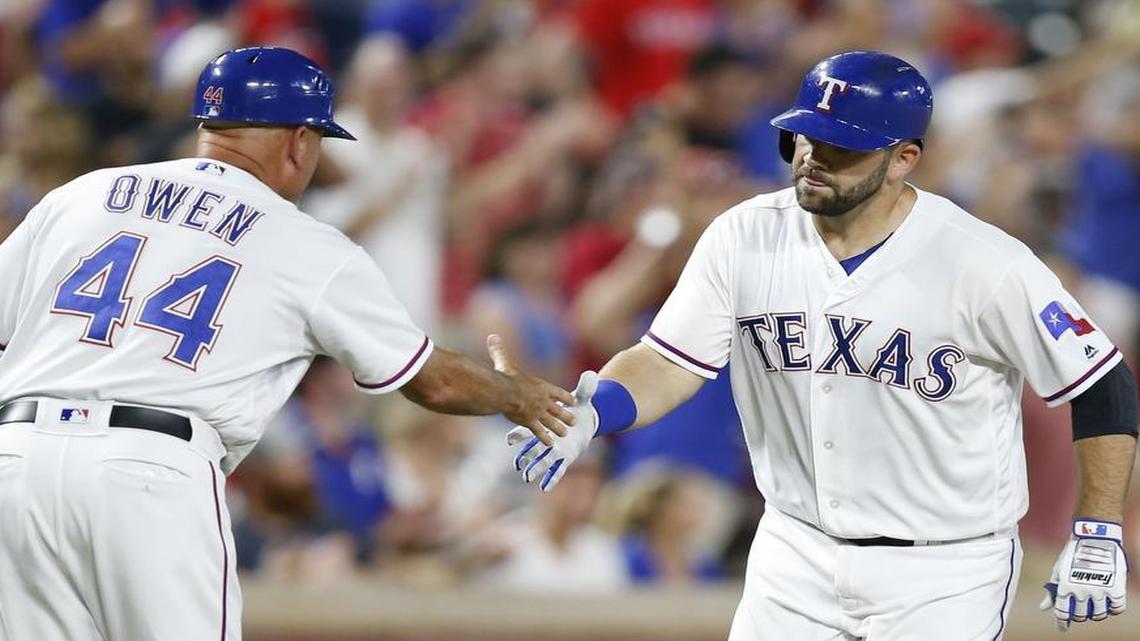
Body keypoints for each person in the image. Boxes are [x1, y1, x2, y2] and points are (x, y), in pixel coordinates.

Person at [508, 50, 1138, 638]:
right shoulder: (744, 235)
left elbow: (1102, 383)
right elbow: (669, 359)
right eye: (807, 137)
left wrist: (1098, 527)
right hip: (793, 551)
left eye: (843, 148)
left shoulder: (984, 263)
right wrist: (598, 409)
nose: (813, 157)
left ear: (903, 159)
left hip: (944, 569)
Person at [0, 46, 573, 641]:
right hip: (151, 474)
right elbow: (432, 379)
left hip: (15, 462)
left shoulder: (82, 195)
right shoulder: (303, 242)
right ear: (299, 140)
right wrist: (516, 393)